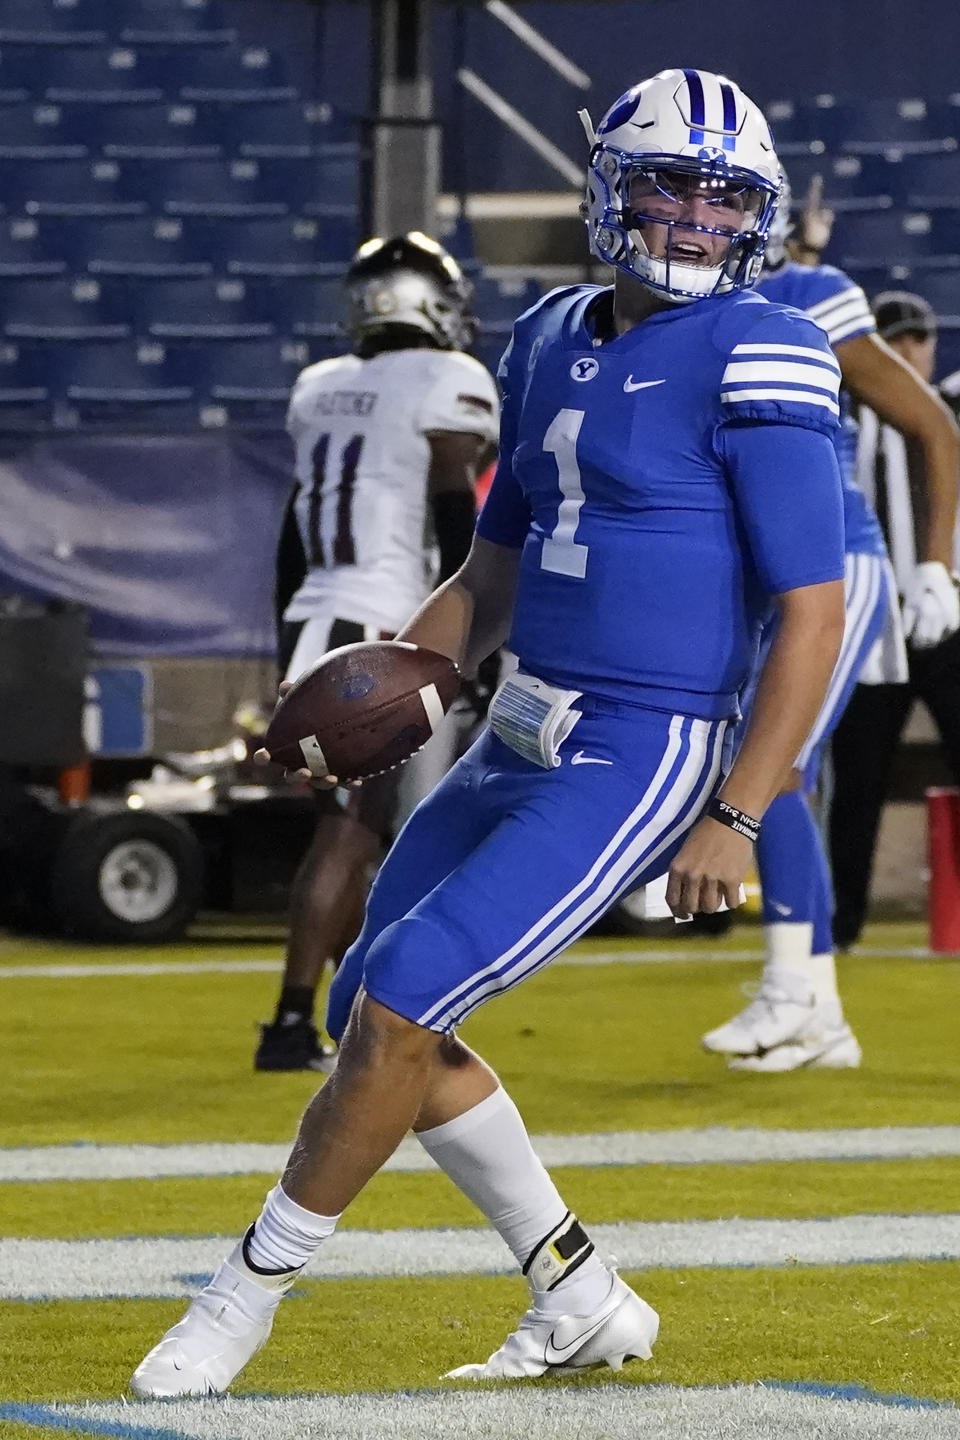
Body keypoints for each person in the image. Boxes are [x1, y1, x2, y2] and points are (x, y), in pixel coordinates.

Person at [131, 67, 848, 1398]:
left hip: (644, 743)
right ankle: (576, 1286)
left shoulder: (766, 346)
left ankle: (239, 1301)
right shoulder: (548, 335)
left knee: (404, 1001)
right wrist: (399, 675)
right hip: (517, 724)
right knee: (372, 999)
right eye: (669, 185)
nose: (695, 217)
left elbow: (816, 605)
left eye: (725, 196)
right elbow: (493, 571)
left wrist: (740, 811)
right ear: (606, 188)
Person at [701, 183, 959, 1072]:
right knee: (779, 770)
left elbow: (932, 423)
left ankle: (795, 994)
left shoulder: (811, 297)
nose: (704, 224)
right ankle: (819, 1012)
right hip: (755, 570)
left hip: (832, 563)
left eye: (720, 205)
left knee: (767, 768)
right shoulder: (679, 309)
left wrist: (935, 561)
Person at [255, 232, 500, 1072]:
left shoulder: (321, 387)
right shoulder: (446, 380)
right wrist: (478, 626)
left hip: (314, 614)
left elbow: (292, 533)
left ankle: (358, 1011)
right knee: (354, 831)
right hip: (380, 625)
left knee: (353, 827)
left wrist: (283, 638)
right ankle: (293, 1022)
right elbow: (451, 510)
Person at [829, 291, 960, 949]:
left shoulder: (951, 409)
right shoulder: (842, 413)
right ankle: (839, 924)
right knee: (857, 780)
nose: (908, 352)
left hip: (949, 614)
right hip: (870, 623)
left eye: (919, 339)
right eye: (895, 340)